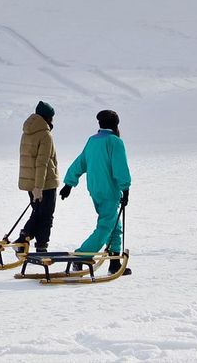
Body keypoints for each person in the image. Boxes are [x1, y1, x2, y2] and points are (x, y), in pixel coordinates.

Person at [59, 109, 131, 274]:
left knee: (114, 225)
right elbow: (120, 168)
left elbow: (80, 162)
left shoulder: (92, 141)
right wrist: (125, 188)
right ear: (115, 125)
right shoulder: (114, 142)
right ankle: (82, 255)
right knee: (106, 225)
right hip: (109, 191)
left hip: (95, 189)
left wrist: (69, 184)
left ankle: (114, 264)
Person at [17, 100, 59, 253]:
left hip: (31, 182)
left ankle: (24, 240)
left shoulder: (27, 132)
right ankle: (38, 246)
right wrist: (39, 187)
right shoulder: (45, 135)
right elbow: (42, 163)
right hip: (44, 183)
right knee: (46, 216)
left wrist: (34, 186)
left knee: (38, 213)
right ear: (47, 117)